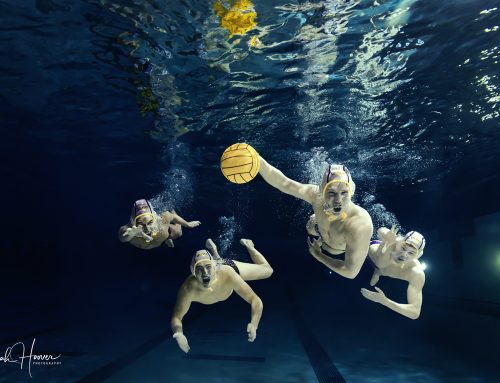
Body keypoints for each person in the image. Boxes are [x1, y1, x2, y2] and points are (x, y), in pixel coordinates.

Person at [258, 157, 373, 279]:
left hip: (338, 253)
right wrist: (257, 160)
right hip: (321, 235)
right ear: (322, 191)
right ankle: (318, 224)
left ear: (351, 191)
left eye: (344, 192)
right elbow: (284, 183)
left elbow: (351, 272)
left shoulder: (359, 224)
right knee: (311, 226)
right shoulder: (317, 196)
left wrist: (318, 255)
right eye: (332, 193)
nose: (338, 201)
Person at [171, 238, 272, 353]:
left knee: (268, 271)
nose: (205, 273)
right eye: (199, 269)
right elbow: (176, 317)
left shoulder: (228, 274)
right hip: (217, 267)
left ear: (214, 268)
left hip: (228, 267)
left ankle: (248, 245)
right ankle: (214, 252)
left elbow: (255, 300)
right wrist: (178, 333)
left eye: (208, 267)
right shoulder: (188, 289)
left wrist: (254, 325)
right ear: (193, 272)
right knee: (216, 262)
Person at [361, 227, 426, 319]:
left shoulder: (415, 273)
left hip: (382, 267)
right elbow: (381, 230)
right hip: (375, 256)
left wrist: (385, 301)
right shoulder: (394, 241)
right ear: (399, 243)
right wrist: (388, 239)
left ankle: (378, 272)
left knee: (381, 267)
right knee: (381, 264)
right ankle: (378, 271)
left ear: (417, 256)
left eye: (411, 253)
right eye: (403, 248)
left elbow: (415, 312)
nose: (404, 255)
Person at [118, 199, 201, 250]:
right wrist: (130, 235)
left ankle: (167, 238)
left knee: (179, 232)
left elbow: (173, 217)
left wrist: (188, 224)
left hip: (163, 235)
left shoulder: (162, 218)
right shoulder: (130, 229)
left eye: (150, 222)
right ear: (133, 222)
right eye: (141, 224)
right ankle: (165, 239)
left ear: (155, 217)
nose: (147, 228)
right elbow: (122, 237)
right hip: (152, 244)